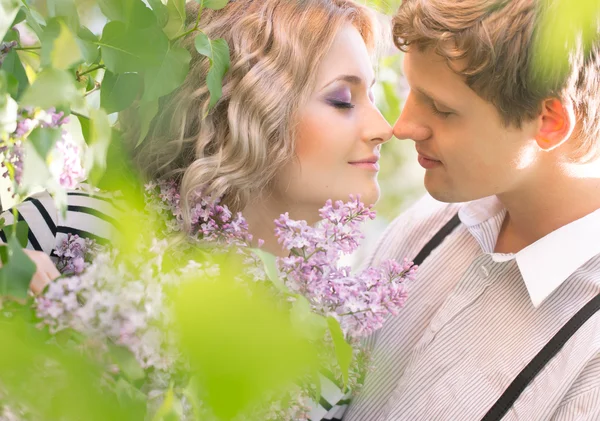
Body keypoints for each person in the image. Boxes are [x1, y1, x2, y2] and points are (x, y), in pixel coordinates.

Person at [0, 0, 391, 417]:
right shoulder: (68, 235)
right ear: (246, 112)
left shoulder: (321, 369)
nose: (384, 127)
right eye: (342, 99)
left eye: (372, 95)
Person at [343, 0, 600, 420]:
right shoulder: (431, 223)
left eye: (442, 109)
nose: (401, 126)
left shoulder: (590, 350)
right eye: (411, 92)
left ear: (549, 122)